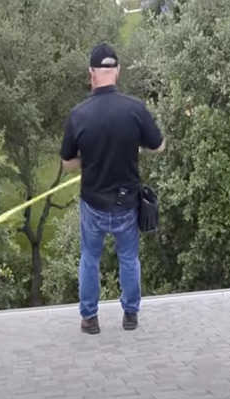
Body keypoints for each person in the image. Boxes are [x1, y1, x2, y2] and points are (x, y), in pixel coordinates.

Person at [60, 42, 165, 334]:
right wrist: (136, 148)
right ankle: (130, 315)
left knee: (89, 259)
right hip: (126, 203)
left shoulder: (79, 114)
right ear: (116, 71)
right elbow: (159, 146)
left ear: (91, 73)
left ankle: (90, 319)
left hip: (93, 202)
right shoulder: (134, 109)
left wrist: (89, 159)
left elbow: (67, 162)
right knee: (129, 258)